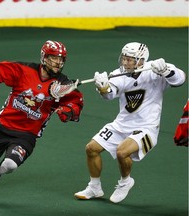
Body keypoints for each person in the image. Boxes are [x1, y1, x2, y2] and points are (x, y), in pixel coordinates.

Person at [0, 40, 84, 203]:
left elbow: (76, 102)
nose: (58, 63)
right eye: (54, 58)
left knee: (10, 165)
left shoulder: (64, 85)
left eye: (61, 59)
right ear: (44, 57)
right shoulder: (23, 70)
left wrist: (68, 111)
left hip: (26, 134)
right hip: (2, 126)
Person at [74, 42, 186, 203]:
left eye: (130, 59)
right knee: (91, 148)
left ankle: (125, 182)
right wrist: (103, 87)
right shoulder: (118, 74)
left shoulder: (155, 70)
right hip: (121, 125)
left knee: (122, 151)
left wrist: (167, 71)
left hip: (147, 128)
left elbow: (180, 79)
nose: (125, 62)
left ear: (141, 60)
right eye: (124, 58)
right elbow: (109, 95)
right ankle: (94, 187)